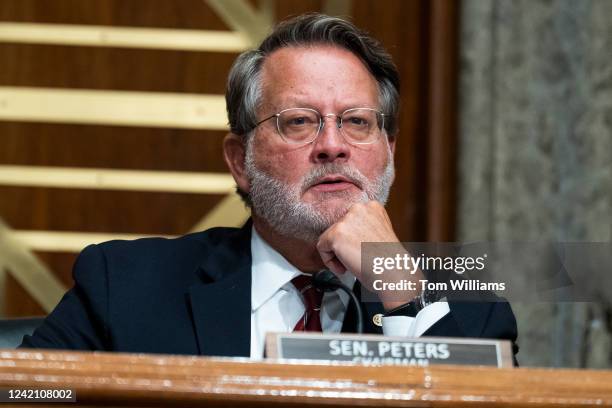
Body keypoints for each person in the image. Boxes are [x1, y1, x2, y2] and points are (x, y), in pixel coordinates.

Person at [21, 13, 518, 360]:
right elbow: (24, 391)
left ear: (390, 152)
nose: (332, 146)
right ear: (240, 161)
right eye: (299, 122)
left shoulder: (469, 306)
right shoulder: (125, 285)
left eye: (357, 122)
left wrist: (401, 294)